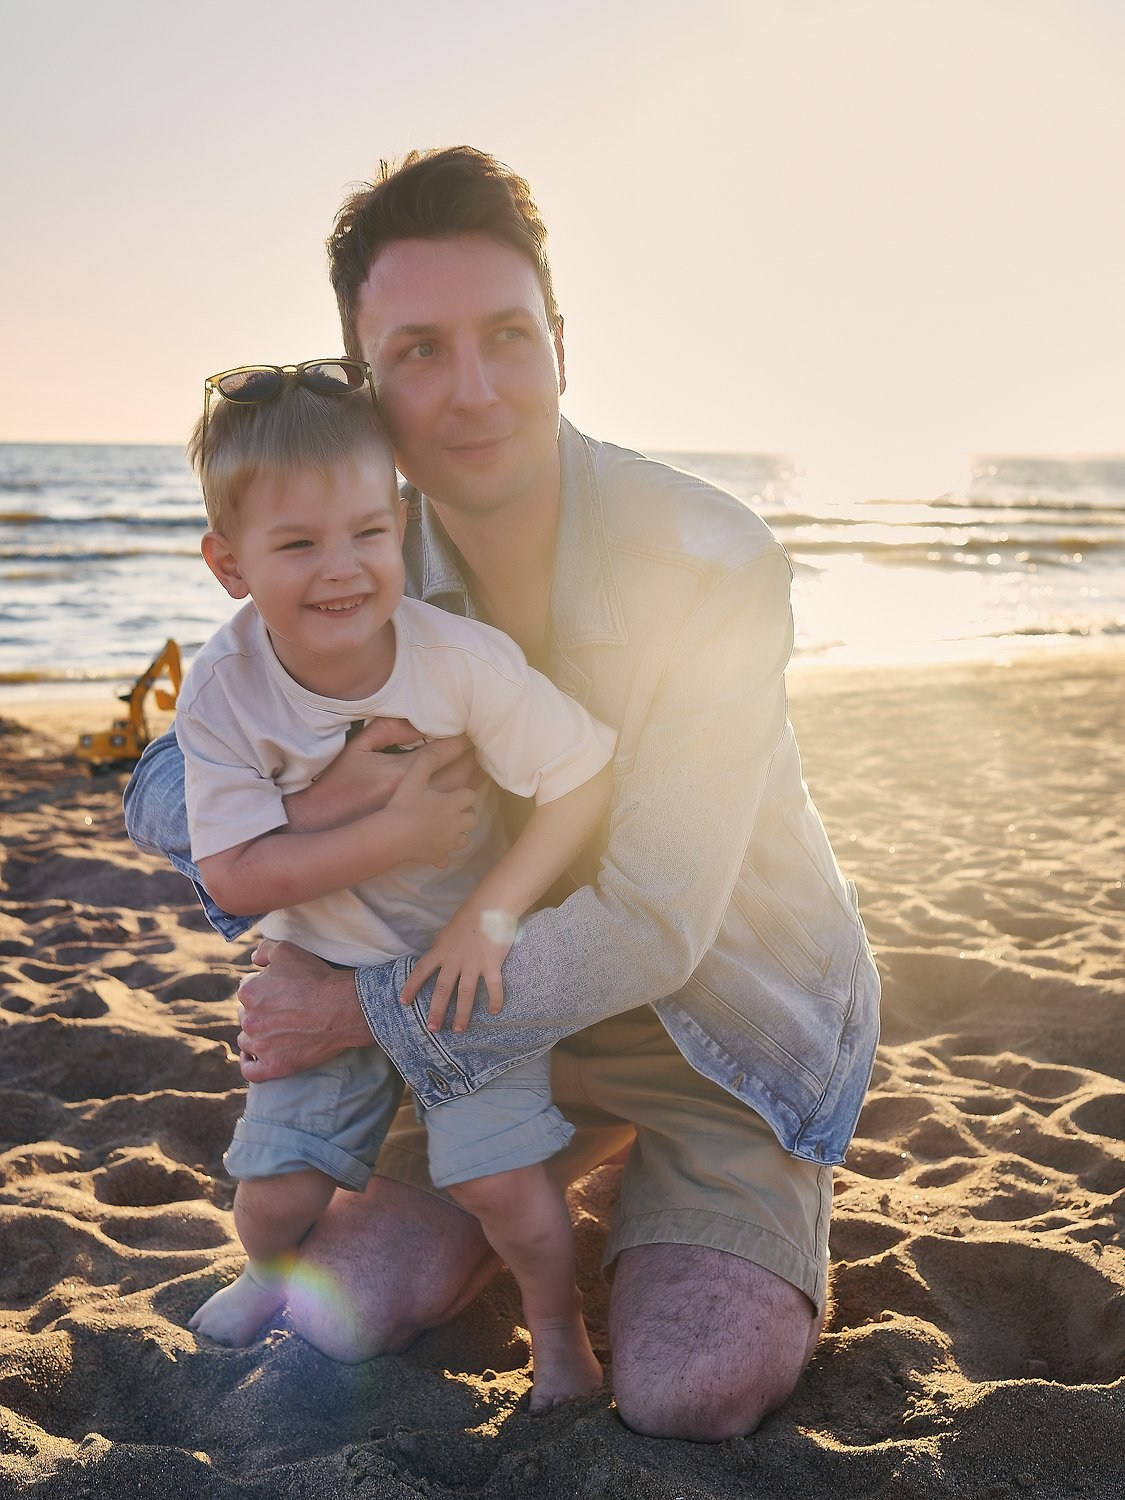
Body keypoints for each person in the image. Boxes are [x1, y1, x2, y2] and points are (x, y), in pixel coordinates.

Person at [125, 146, 880, 1441]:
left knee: (688, 1389)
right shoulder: (361, 553)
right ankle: (517, 1195)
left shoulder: (703, 560)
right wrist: (339, 813)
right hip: (497, 1029)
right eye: (419, 350)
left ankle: (725, 1196)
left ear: (561, 346)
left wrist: (359, 1008)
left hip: (721, 1022)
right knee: (336, 1308)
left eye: (506, 338)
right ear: (365, 384)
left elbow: (653, 921)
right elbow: (163, 785)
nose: (473, 393)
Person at [175, 365, 613, 1407]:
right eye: (298, 544)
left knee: (499, 1184)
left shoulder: (455, 660)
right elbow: (233, 875)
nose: (343, 570)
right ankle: (267, 1273)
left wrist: (488, 916)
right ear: (229, 565)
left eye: (369, 533)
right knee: (273, 1193)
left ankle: (559, 1339)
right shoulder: (225, 688)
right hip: (318, 960)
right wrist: (398, 828)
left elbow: (582, 775)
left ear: (402, 523)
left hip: (457, 970)